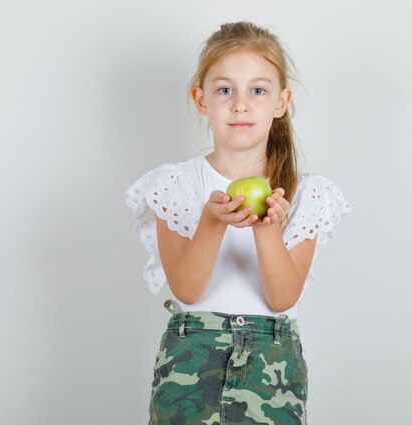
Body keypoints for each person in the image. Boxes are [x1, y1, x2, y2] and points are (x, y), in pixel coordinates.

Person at [123, 21, 351, 425]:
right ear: (201, 99)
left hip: (272, 366)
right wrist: (212, 223)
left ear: (281, 102)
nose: (240, 104)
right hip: (189, 361)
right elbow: (188, 292)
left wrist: (267, 229)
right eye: (225, 89)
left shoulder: (305, 192)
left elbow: (281, 300)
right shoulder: (175, 185)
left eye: (257, 91)